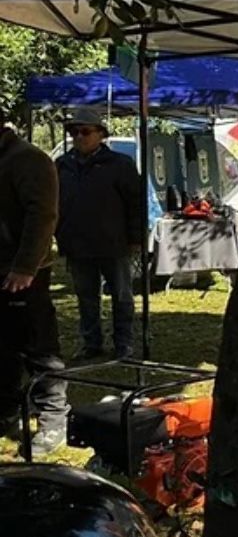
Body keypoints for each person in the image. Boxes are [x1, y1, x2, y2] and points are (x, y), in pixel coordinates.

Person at [1, 114, 71, 456]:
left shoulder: (27, 158)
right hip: (3, 269)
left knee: (39, 346)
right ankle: (6, 411)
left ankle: (54, 420)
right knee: (4, 348)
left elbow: (43, 215)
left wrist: (26, 266)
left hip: (23, 271)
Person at [55, 109, 141, 361]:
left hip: (113, 243)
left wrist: (136, 238)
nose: (79, 137)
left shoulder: (119, 164)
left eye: (85, 131)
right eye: (74, 132)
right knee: (86, 298)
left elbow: (135, 203)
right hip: (77, 244)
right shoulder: (62, 166)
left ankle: (124, 343)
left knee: (122, 296)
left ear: (100, 134)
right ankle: (91, 343)